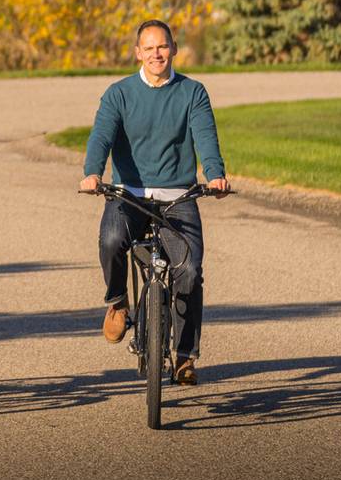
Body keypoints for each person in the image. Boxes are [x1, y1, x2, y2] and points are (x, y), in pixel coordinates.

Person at [77, 19, 229, 385]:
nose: (156, 54)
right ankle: (118, 303)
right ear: (138, 53)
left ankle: (184, 356)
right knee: (112, 240)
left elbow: (205, 135)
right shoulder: (119, 93)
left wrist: (215, 172)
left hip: (178, 196)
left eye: (163, 46)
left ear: (174, 48)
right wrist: (92, 173)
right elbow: (101, 136)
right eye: (149, 48)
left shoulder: (192, 92)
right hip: (129, 192)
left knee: (189, 271)